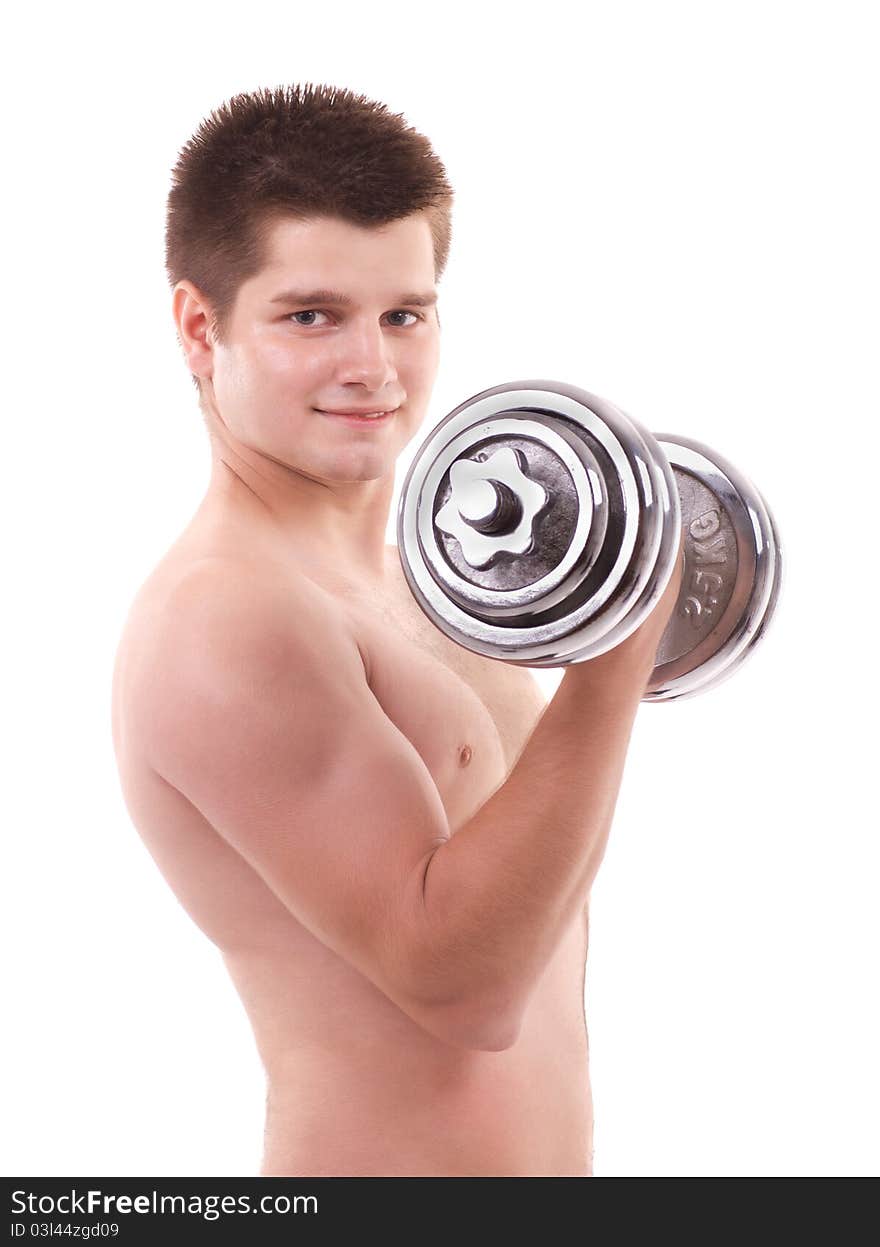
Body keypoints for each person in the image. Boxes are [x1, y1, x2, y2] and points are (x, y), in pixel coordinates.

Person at [111, 82, 684, 1178]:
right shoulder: (226, 616)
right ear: (200, 324)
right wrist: (610, 667)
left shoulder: (418, 584)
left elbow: (542, 875)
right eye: (310, 315)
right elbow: (463, 988)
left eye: (403, 314)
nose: (372, 367)